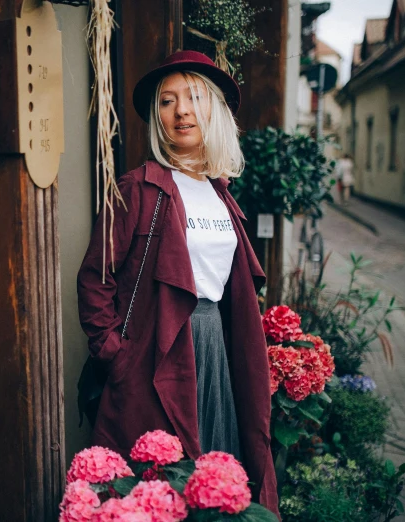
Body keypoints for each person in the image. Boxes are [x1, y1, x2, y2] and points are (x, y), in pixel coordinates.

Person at [77, 51, 279, 516]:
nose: (181, 110)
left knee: (215, 475)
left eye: (193, 97)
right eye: (167, 102)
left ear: (214, 110)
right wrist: (115, 354)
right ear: (157, 118)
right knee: (163, 486)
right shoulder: (139, 187)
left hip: (214, 349)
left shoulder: (220, 193)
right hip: (157, 351)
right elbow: (95, 278)